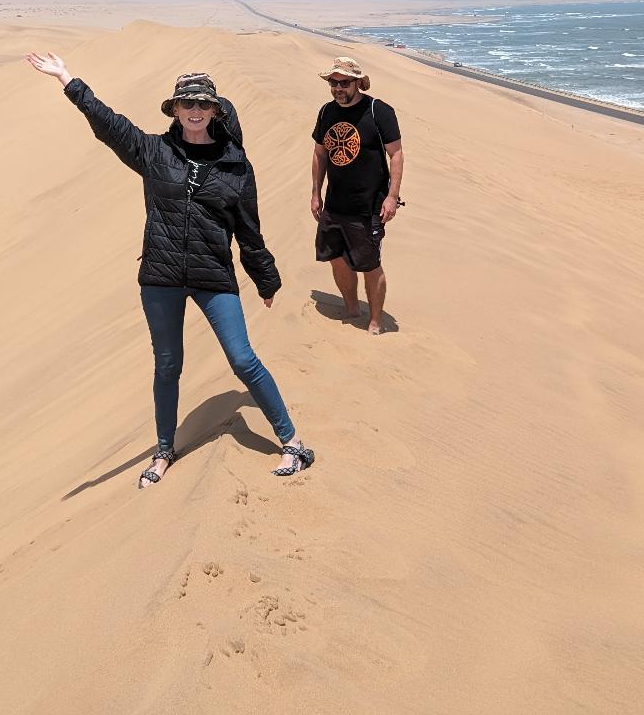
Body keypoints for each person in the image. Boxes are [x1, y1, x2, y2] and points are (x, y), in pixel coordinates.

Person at [27, 55, 314, 486]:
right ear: (175, 110)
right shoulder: (153, 152)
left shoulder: (236, 166)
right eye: (186, 103)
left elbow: (249, 230)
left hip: (213, 276)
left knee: (242, 359)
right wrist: (68, 80)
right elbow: (110, 124)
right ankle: (164, 451)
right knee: (167, 365)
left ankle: (291, 441)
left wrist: (265, 279)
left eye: (202, 104)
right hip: (160, 277)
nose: (195, 111)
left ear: (215, 111)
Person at [310, 58, 403, 335]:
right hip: (335, 203)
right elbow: (319, 154)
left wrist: (392, 196)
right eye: (333, 83)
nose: (338, 88)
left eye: (344, 83)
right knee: (336, 258)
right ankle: (351, 308)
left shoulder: (378, 111)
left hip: (368, 206)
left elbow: (395, 154)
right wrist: (316, 193)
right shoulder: (326, 112)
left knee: (369, 264)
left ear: (358, 83)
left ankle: (375, 321)